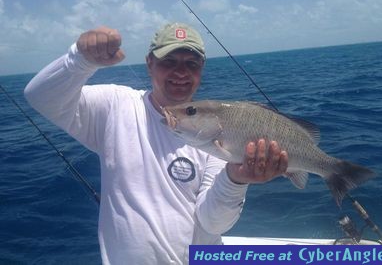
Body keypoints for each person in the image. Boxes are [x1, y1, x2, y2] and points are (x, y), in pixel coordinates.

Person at [24, 23, 288, 264]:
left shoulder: (219, 135)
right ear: (149, 63)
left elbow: (213, 222)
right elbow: (40, 96)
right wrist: (79, 60)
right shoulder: (115, 105)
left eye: (192, 64)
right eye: (168, 61)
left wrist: (235, 179)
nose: (181, 72)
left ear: (202, 69)